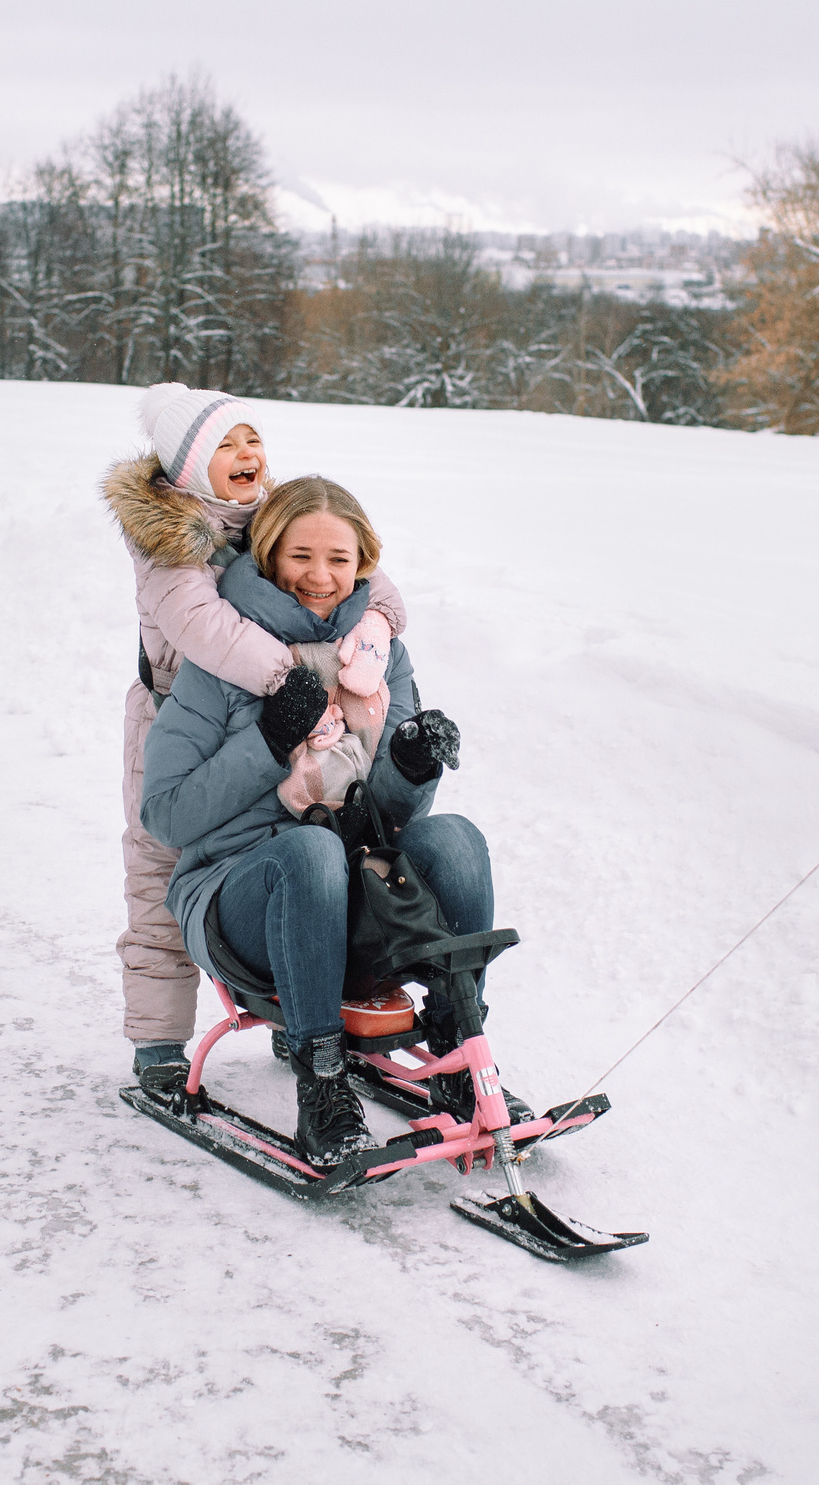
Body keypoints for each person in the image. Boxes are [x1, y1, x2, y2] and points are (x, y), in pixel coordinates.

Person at [138, 477, 492, 1165]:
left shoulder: (379, 655)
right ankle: (323, 1086)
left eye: (339, 557)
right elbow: (167, 814)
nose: (321, 576)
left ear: (363, 561)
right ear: (269, 554)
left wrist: (412, 762)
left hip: (355, 893)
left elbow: (388, 817)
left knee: (457, 839)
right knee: (307, 854)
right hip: (240, 899)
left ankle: (458, 1050)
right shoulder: (225, 658)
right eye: (301, 555)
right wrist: (268, 741)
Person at [103, 387, 406, 1103]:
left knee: (295, 841)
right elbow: (208, 629)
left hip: (276, 711)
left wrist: (378, 628)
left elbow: (366, 573)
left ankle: (290, 1002)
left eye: (251, 440)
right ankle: (156, 1042)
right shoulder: (169, 539)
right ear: (189, 467)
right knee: (158, 868)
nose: (247, 456)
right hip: (176, 715)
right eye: (226, 446)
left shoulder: (267, 513)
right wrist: (290, 679)